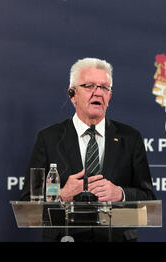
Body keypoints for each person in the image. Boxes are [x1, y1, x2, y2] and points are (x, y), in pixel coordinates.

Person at [21, 58, 156, 242]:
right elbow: (29, 207)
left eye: (104, 87)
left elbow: (148, 201)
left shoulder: (130, 138)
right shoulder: (49, 138)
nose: (98, 93)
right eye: (90, 86)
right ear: (72, 94)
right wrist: (61, 195)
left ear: (109, 96)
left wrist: (120, 194)